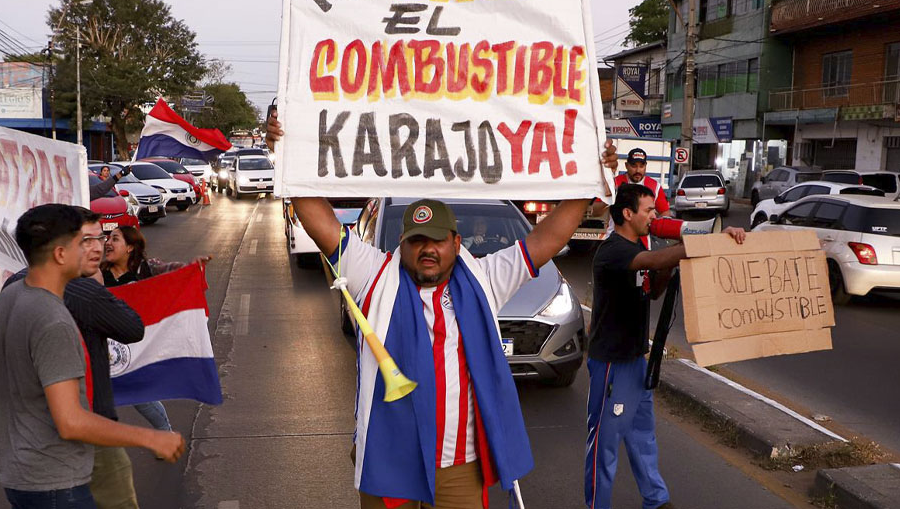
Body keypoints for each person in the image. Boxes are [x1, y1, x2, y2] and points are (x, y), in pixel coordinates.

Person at [266, 110, 619, 508]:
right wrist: (288, 156)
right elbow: (320, 222)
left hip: (460, 467)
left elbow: (549, 236)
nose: (427, 250)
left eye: (436, 241)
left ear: (455, 242)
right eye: (417, 241)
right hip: (389, 459)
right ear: (403, 243)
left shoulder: (486, 277)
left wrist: (591, 181)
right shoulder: (375, 275)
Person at [0, 204, 185, 509]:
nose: (96, 249)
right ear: (60, 254)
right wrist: (151, 438)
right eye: (83, 242)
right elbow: (71, 422)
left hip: (20, 472)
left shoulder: (9, 296)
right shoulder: (54, 320)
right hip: (58, 481)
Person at [584, 184, 746, 509]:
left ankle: (656, 500)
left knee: (643, 435)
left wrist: (670, 264)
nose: (655, 217)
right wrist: (696, 242)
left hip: (635, 359)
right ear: (627, 214)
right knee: (605, 444)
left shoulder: (638, 249)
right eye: (649, 211)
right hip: (612, 363)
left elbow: (653, 289)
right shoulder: (614, 250)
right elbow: (655, 259)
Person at [99, 225, 211, 435]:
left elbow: (173, 272)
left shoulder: (146, 268)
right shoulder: (98, 273)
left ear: (130, 247)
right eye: (108, 238)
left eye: (115, 239)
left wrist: (192, 268)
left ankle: (165, 434)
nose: (108, 243)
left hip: (135, 344)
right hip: (103, 342)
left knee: (139, 395)